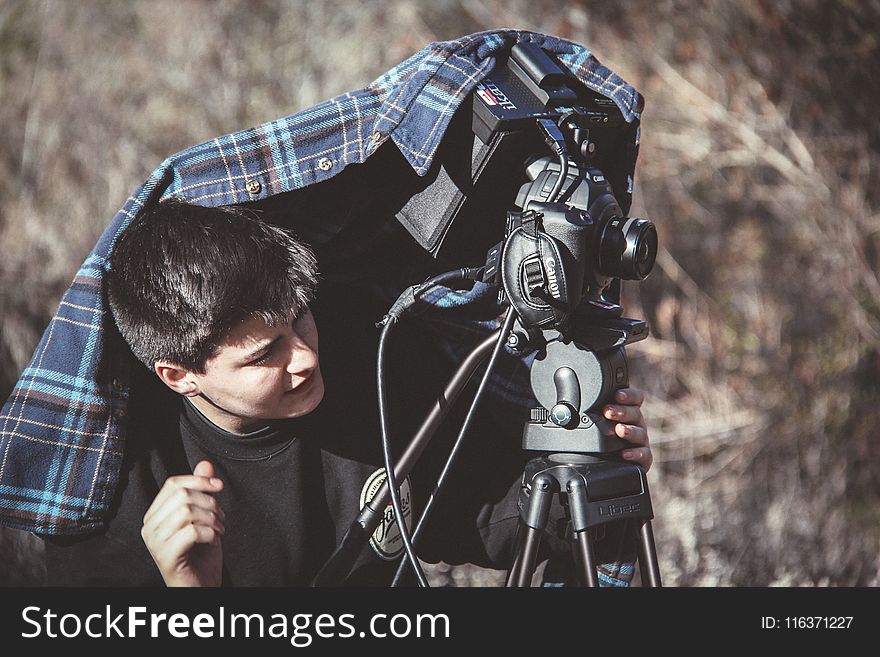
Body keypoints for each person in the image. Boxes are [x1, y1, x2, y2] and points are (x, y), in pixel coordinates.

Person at [42, 199, 652, 586]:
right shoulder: (117, 491)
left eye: (300, 322)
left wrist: (587, 456)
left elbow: (483, 519)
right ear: (179, 373)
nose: (305, 358)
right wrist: (190, 599)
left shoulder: (376, 370)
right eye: (264, 355)